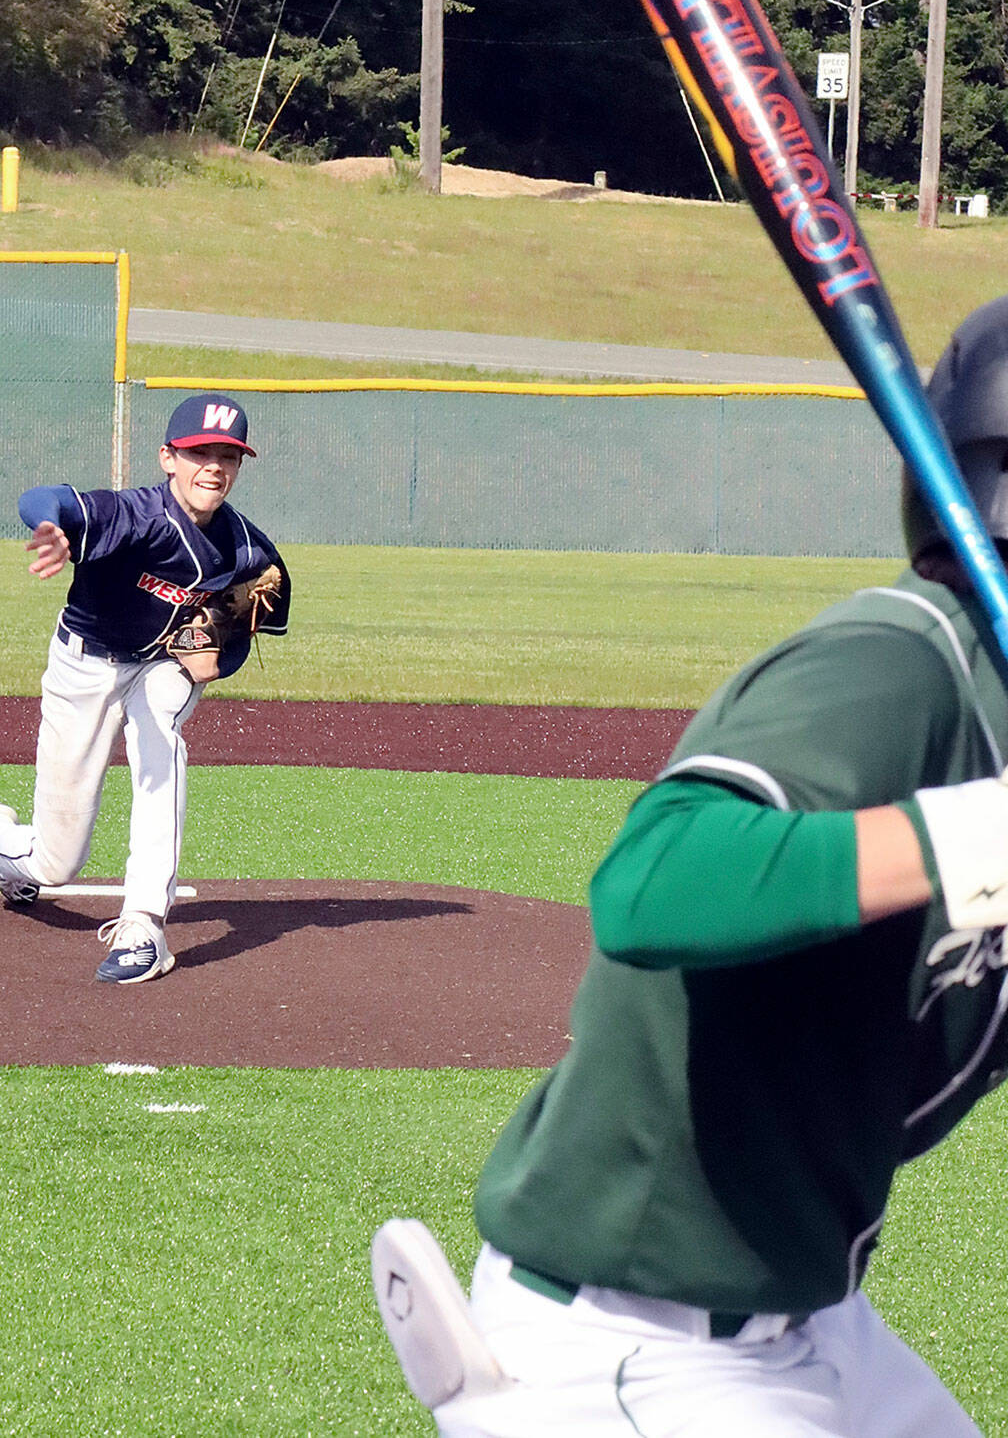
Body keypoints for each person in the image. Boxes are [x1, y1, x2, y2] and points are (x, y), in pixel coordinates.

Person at [380, 297, 1008, 1436]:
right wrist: (977, 839)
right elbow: (653, 880)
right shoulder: (896, 670)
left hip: (814, 1320)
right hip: (631, 1344)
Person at [0, 392, 290, 984]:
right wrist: (50, 526)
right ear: (168, 458)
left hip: (159, 666)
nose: (214, 467)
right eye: (199, 452)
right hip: (85, 667)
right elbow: (44, 499)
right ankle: (1, 843)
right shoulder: (133, 515)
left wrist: (219, 659)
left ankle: (144, 922)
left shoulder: (248, 548)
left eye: (228, 455)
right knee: (57, 860)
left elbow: (245, 626)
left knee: (159, 726)